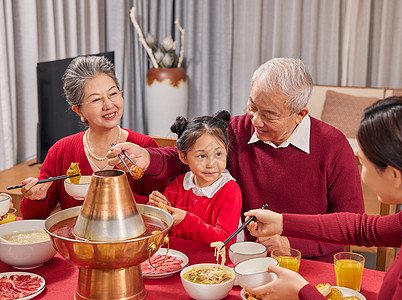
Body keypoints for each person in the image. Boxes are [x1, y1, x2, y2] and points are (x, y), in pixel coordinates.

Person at [108, 58, 364, 262]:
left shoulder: (333, 146)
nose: (255, 120)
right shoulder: (238, 130)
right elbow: (191, 154)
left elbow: (351, 226)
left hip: (309, 263)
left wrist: (291, 244)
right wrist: (148, 158)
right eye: (252, 106)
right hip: (245, 260)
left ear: (300, 115)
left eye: (269, 115)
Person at [244, 95, 402, 300]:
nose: (362, 173)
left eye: (364, 164)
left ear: (394, 175)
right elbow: (361, 228)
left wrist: (301, 292)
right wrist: (281, 222)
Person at [20, 56, 167, 219]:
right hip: (78, 243)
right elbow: (34, 218)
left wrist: (114, 198)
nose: (109, 105)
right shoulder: (60, 151)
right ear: (79, 111)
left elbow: (161, 211)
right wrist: (36, 197)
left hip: (130, 242)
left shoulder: (145, 147)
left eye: (113, 93)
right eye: (96, 99)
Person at [148, 110, 242, 247]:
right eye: (202, 156)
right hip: (175, 259)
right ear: (183, 156)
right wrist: (155, 207)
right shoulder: (179, 184)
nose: (211, 164)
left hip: (212, 266)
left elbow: (225, 241)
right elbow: (159, 227)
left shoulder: (230, 190)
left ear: (227, 150)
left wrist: (186, 220)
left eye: (218, 154)